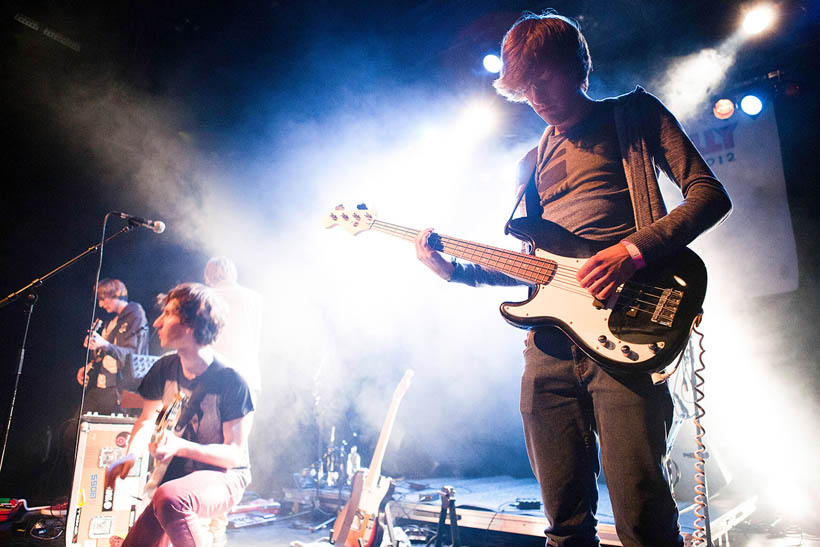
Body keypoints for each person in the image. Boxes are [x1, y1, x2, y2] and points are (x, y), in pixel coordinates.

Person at [414, 11, 731, 547]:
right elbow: (534, 264)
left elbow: (708, 194)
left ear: (576, 66)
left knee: (644, 519)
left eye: (544, 79)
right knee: (563, 524)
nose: (536, 96)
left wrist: (632, 250)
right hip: (549, 352)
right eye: (523, 87)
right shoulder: (530, 163)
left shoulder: (633, 115)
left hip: (627, 328)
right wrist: (455, 272)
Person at [106, 282, 255, 547]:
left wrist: (180, 446)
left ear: (190, 323)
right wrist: (130, 455)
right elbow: (147, 419)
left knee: (172, 498)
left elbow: (233, 455)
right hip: (174, 478)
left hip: (224, 477)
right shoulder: (165, 367)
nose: (157, 323)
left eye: (168, 314)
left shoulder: (231, 380)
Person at [77, 278, 148, 414]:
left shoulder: (135, 315)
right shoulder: (111, 320)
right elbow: (106, 354)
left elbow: (132, 355)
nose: (100, 304)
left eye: (103, 299)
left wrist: (104, 345)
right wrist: (90, 365)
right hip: (98, 385)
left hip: (117, 390)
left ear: (115, 294)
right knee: (72, 431)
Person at [204, 256, 263, 404]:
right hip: (248, 374)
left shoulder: (207, 296)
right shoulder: (255, 298)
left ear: (208, 274)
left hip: (215, 375)